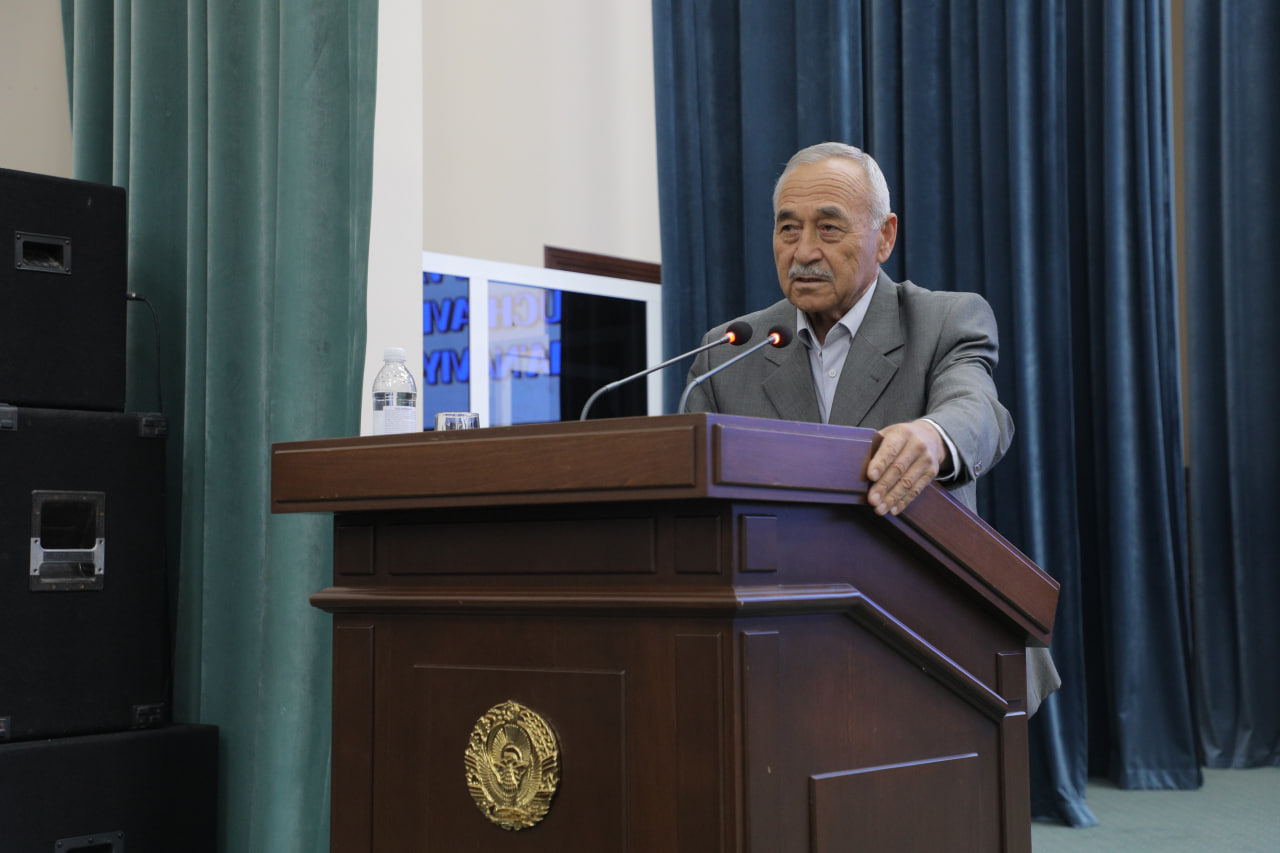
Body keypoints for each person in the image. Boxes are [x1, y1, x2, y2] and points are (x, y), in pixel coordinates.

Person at [684, 141, 1059, 714]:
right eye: (788, 229)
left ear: (884, 237)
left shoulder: (943, 321)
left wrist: (933, 437)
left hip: (934, 641)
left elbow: (979, 410)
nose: (803, 251)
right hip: (778, 649)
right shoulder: (731, 349)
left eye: (829, 229)